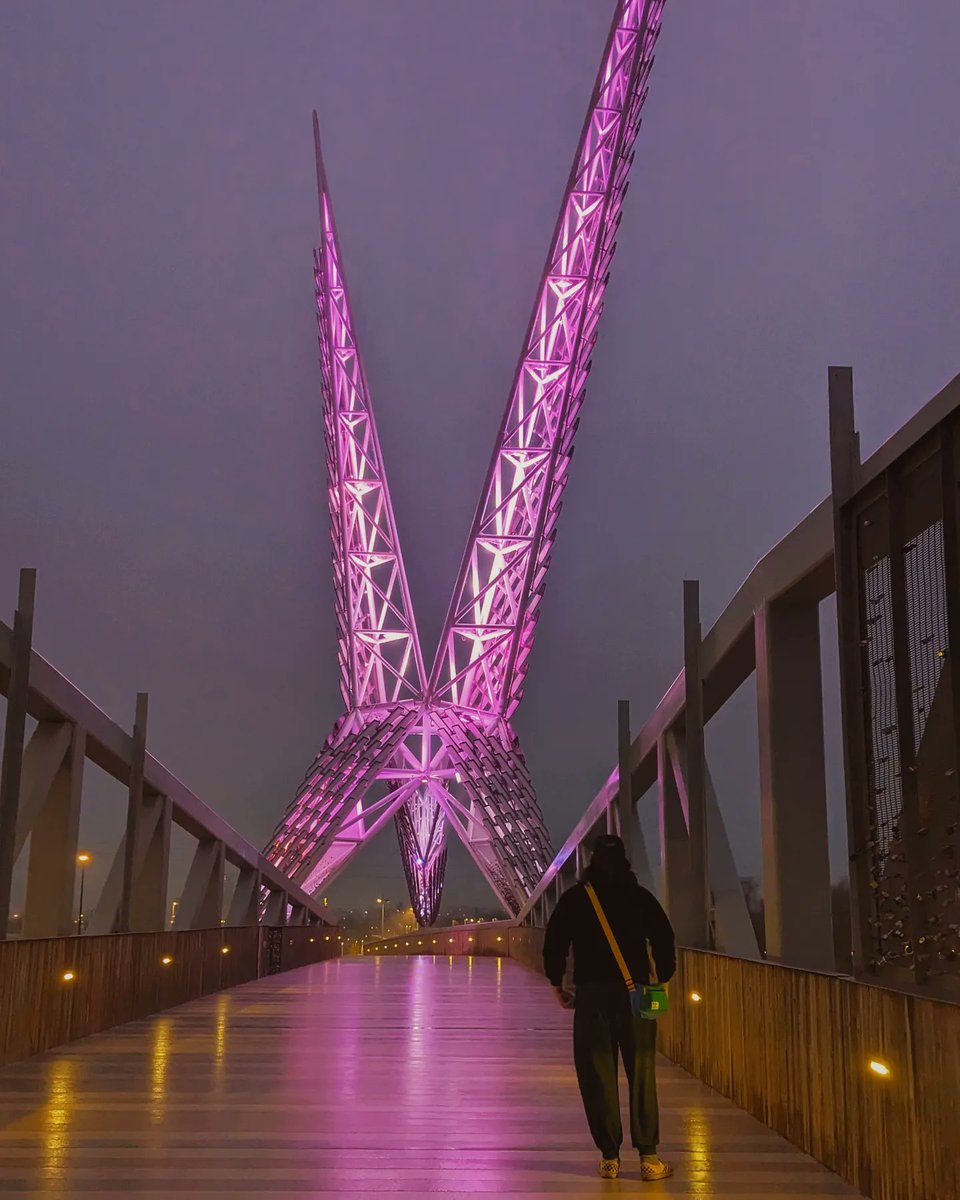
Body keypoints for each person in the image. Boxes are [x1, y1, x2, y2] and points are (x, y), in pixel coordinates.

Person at [543, 833, 676, 1182]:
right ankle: (649, 1157)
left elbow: (554, 941)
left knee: (596, 1075)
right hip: (635, 996)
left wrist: (557, 983)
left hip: (591, 998)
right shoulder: (640, 897)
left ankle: (609, 1157)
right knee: (642, 1073)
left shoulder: (575, 899)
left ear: (591, 861)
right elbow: (663, 937)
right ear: (625, 862)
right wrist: (662, 977)